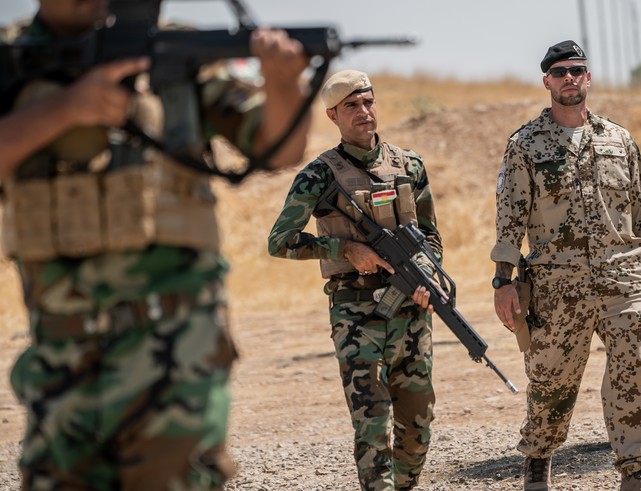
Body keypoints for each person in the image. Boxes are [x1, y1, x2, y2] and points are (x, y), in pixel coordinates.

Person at [0, 1, 311, 489]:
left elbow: (279, 149)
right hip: (60, 358)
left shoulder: (175, 52)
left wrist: (283, 83)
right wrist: (66, 109)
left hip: (177, 351)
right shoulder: (11, 56)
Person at [491, 40, 641, 491]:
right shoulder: (525, 145)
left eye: (577, 70)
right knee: (552, 381)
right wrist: (503, 281)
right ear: (547, 82)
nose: (569, 78)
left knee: (635, 369)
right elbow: (509, 219)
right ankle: (538, 456)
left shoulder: (619, 139)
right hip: (558, 284)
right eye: (560, 72)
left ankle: (639, 470)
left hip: (625, 275)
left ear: (588, 78)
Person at [267, 69, 442, 490]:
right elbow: (280, 241)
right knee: (372, 426)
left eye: (368, 101)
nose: (363, 112)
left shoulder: (409, 164)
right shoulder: (318, 175)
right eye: (351, 106)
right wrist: (343, 250)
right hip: (356, 314)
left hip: (411, 311)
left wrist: (425, 272)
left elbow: (433, 236)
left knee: (418, 429)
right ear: (333, 115)